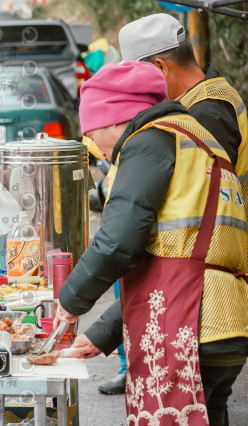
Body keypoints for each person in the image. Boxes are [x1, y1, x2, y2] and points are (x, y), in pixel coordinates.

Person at [54, 61, 248, 425]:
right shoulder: (202, 142)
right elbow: (170, 264)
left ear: (115, 122)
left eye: (92, 135)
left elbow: (117, 243)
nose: (96, 149)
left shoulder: (147, 143)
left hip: (189, 327)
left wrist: (69, 301)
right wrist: (101, 335)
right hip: (227, 325)